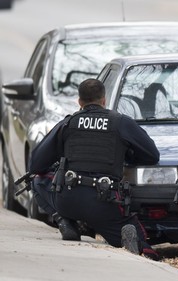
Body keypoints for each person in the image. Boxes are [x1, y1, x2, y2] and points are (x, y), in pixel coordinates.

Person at [29, 78, 160, 259]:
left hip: (68, 200)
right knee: (141, 248)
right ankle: (142, 248)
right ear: (104, 100)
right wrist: (127, 155)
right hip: (105, 204)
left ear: (79, 102)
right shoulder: (120, 122)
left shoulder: (69, 123)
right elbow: (152, 156)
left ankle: (64, 221)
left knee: (37, 181)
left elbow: (36, 165)